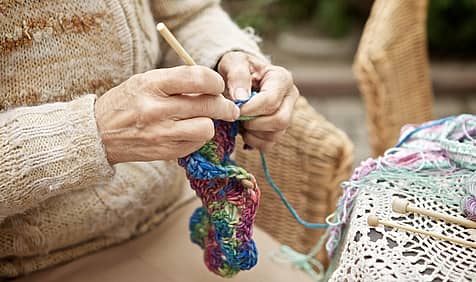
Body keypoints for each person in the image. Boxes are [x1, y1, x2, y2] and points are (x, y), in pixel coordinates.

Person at [0, 0, 309, 281]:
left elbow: (189, 15)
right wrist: (90, 134)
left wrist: (229, 58)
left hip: (171, 206)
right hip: (28, 260)